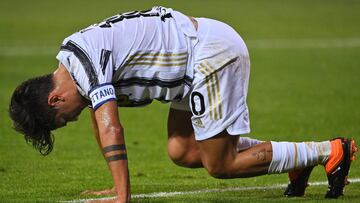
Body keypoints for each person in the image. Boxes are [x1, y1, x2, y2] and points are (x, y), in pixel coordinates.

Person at [9, 6, 357, 202]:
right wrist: (117, 187)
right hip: (189, 69)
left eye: (62, 120)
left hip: (208, 56)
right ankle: (297, 160)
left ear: (55, 98)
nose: (70, 118)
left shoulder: (83, 63)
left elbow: (111, 126)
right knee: (183, 150)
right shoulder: (73, 59)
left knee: (219, 164)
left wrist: (123, 198)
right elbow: (98, 118)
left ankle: (331, 151)